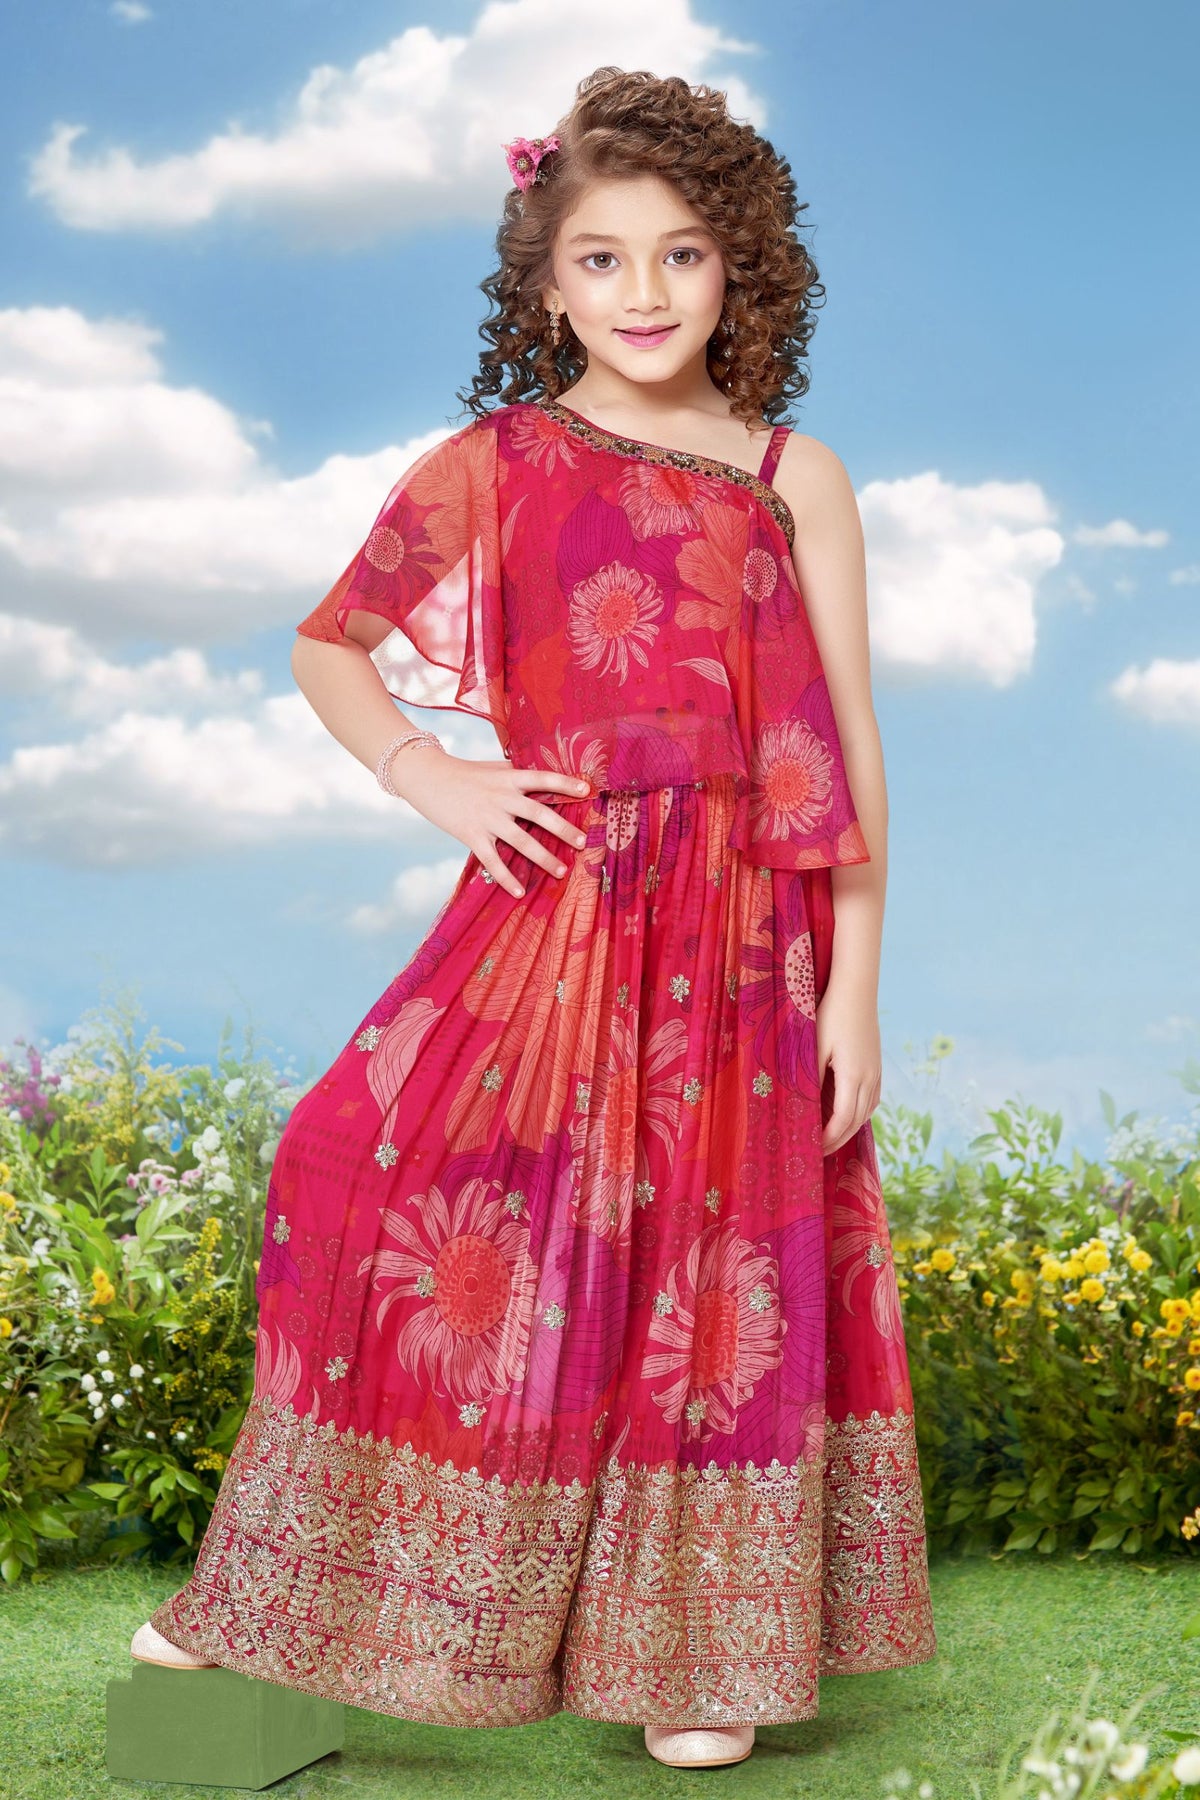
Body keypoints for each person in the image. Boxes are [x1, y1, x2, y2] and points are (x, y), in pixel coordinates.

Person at [132, 64, 936, 1771]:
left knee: (711, 1274)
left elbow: (853, 748)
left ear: (742, 267)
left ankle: (699, 1656)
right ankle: (277, 1590)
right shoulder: (493, 462)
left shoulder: (797, 473)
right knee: (354, 1161)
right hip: (554, 904)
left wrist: (856, 990)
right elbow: (331, 644)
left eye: (682, 254)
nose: (644, 293)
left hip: (747, 936)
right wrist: (438, 778)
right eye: (600, 258)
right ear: (546, 282)